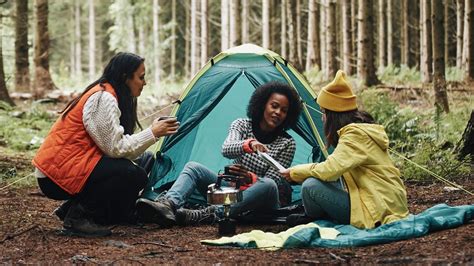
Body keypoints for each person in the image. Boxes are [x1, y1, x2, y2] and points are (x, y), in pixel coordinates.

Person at [33, 52, 179, 236]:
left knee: (145, 160)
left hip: (71, 166)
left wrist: (151, 132)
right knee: (133, 174)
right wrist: (152, 133)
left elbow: (117, 147)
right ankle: (78, 216)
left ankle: (76, 208)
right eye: (141, 77)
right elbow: (115, 148)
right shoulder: (103, 98)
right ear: (125, 77)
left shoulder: (110, 94)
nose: (145, 82)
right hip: (55, 175)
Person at [136, 81, 303, 227]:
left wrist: (250, 178)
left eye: (284, 110)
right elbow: (227, 148)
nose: (278, 112)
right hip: (232, 191)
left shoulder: (287, 143)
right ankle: (169, 204)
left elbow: (272, 181)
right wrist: (249, 144)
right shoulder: (242, 125)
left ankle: (210, 214)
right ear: (262, 104)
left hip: (261, 202)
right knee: (193, 168)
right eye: (274, 106)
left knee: (268, 185)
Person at [281, 70, 409, 229]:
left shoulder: (355, 136)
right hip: (382, 200)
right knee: (317, 181)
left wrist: (295, 172)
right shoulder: (360, 131)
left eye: (323, 112)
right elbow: (335, 171)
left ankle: (312, 218)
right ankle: (313, 216)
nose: (322, 118)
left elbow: (330, 169)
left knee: (310, 186)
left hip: (378, 207)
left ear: (333, 115)